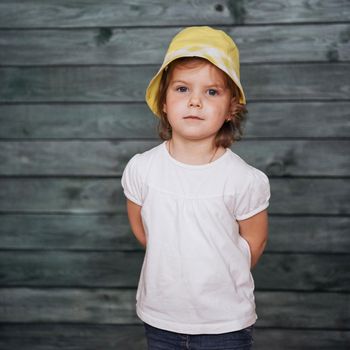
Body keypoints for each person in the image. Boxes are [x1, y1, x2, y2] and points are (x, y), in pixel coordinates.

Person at [121, 26, 271, 350]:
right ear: (163, 101)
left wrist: (216, 269)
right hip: (162, 318)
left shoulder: (244, 179)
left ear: (232, 107)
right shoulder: (142, 170)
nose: (195, 101)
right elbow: (143, 227)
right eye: (182, 88)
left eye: (212, 92)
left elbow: (254, 243)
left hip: (225, 325)